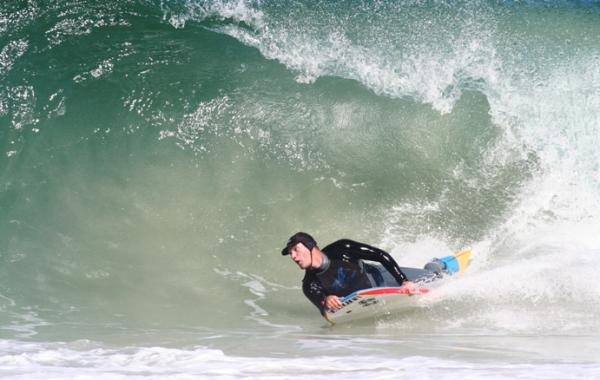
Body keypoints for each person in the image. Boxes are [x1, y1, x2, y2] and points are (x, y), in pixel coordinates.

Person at [281, 232, 439, 317]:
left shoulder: (342, 248)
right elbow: (325, 310)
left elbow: (380, 255)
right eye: (290, 254)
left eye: (296, 250)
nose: (293, 257)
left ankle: (437, 265)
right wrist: (326, 300)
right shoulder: (309, 284)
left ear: (311, 247)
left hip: (380, 276)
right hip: (367, 294)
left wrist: (403, 281)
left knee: (435, 278)